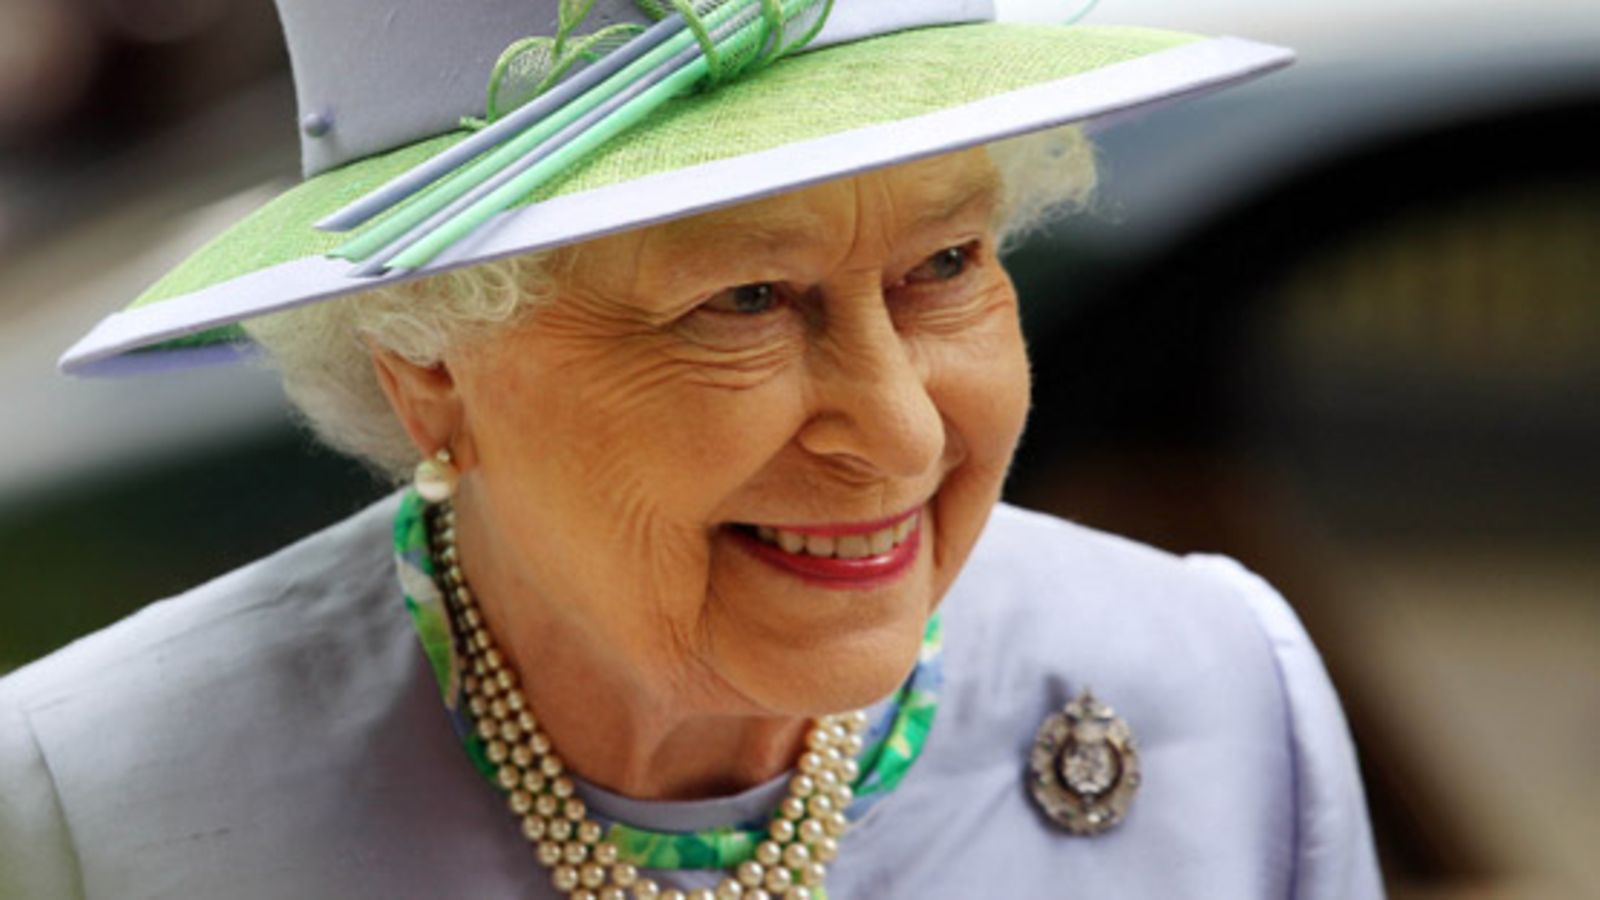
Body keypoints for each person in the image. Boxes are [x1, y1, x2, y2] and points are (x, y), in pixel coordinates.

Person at [1, 1, 1381, 897]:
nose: (897, 429)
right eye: (744, 301)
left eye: (947, 262)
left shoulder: (1223, 699)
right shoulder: (89, 812)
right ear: (425, 369)